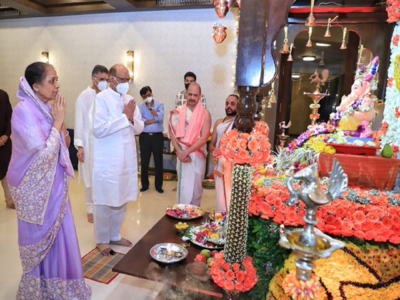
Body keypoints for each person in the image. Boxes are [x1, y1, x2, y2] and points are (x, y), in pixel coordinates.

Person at [7, 62, 91, 299]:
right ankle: (40, 289)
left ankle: (61, 286)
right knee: (43, 240)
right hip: (36, 191)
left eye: (57, 79)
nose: (57, 85)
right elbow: (43, 155)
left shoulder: (45, 108)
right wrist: (57, 122)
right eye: (52, 80)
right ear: (36, 86)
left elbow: (62, 146)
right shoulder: (24, 111)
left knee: (61, 238)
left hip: (54, 188)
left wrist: (61, 124)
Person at [90, 64, 144, 256]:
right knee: (105, 200)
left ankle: (115, 235)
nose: (125, 84)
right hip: (108, 160)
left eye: (127, 80)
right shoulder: (101, 99)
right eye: (122, 79)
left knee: (121, 199)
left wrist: (130, 119)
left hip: (126, 160)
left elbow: (139, 128)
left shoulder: (130, 99)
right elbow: (99, 128)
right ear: (111, 79)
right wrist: (124, 117)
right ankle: (102, 240)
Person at [74, 65, 109, 223]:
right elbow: (79, 122)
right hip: (89, 144)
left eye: (107, 80)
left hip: (105, 144)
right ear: (93, 78)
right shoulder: (84, 96)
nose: (105, 83)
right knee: (89, 176)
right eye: (102, 79)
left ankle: (102, 206)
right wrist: (80, 146)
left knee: (102, 177)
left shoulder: (108, 95)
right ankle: (90, 208)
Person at [169, 82, 211, 206]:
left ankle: (194, 215)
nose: (192, 98)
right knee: (183, 185)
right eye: (190, 94)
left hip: (197, 156)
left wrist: (185, 153)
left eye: (195, 95)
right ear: (186, 94)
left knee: (196, 188)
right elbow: (172, 134)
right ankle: (181, 214)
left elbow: (204, 138)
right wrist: (179, 153)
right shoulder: (177, 112)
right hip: (182, 155)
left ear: (200, 96)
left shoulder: (205, 114)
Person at [209, 94, 238, 212]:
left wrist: (224, 151)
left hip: (231, 164)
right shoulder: (218, 122)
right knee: (219, 194)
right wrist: (215, 150)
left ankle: (227, 219)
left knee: (229, 193)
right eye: (227, 103)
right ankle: (220, 216)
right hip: (218, 163)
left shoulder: (239, 123)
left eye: (232, 103)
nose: (229, 106)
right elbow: (211, 144)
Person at [138, 86, 164, 193]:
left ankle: (158, 186)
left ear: (152, 94)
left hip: (157, 137)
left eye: (148, 95)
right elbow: (142, 121)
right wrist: (155, 119)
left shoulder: (159, 105)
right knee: (144, 162)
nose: (147, 97)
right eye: (145, 96)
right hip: (145, 137)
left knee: (158, 162)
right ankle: (145, 185)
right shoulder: (140, 107)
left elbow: (160, 117)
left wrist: (151, 109)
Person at [0, 89, 14, 209]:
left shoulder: (3, 95)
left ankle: (9, 201)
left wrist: (5, 135)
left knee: (6, 171)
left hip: (4, 142)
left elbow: (10, 117)